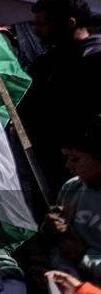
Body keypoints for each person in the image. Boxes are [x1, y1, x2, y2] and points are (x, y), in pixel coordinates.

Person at [20, 0, 101, 199]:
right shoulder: (46, 63)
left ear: (69, 23)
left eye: (43, 24)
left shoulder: (94, 59)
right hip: (51, 163)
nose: (36, 31)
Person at [42, 115, 101, 280]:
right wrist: (50, 229)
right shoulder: (71, 188)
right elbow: (55, 245)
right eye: (67, 158)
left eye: (75, 159)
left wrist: (84, 256)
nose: (67, 165)